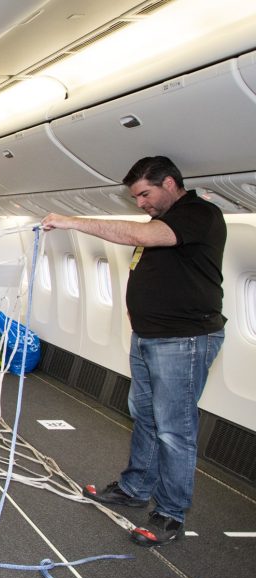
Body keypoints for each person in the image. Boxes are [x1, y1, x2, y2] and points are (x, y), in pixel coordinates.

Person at [41, 156, 226, 547]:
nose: (140, 203)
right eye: (136, 197)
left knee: (175, 430)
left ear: (171, 183)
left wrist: (71, 221)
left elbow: (140, 237)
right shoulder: (164, 221)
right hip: (150, 337)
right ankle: (135, 488)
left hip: (184, 339)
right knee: (144, 415)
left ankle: (170, 513)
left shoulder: (199, 214)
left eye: (144, 194)